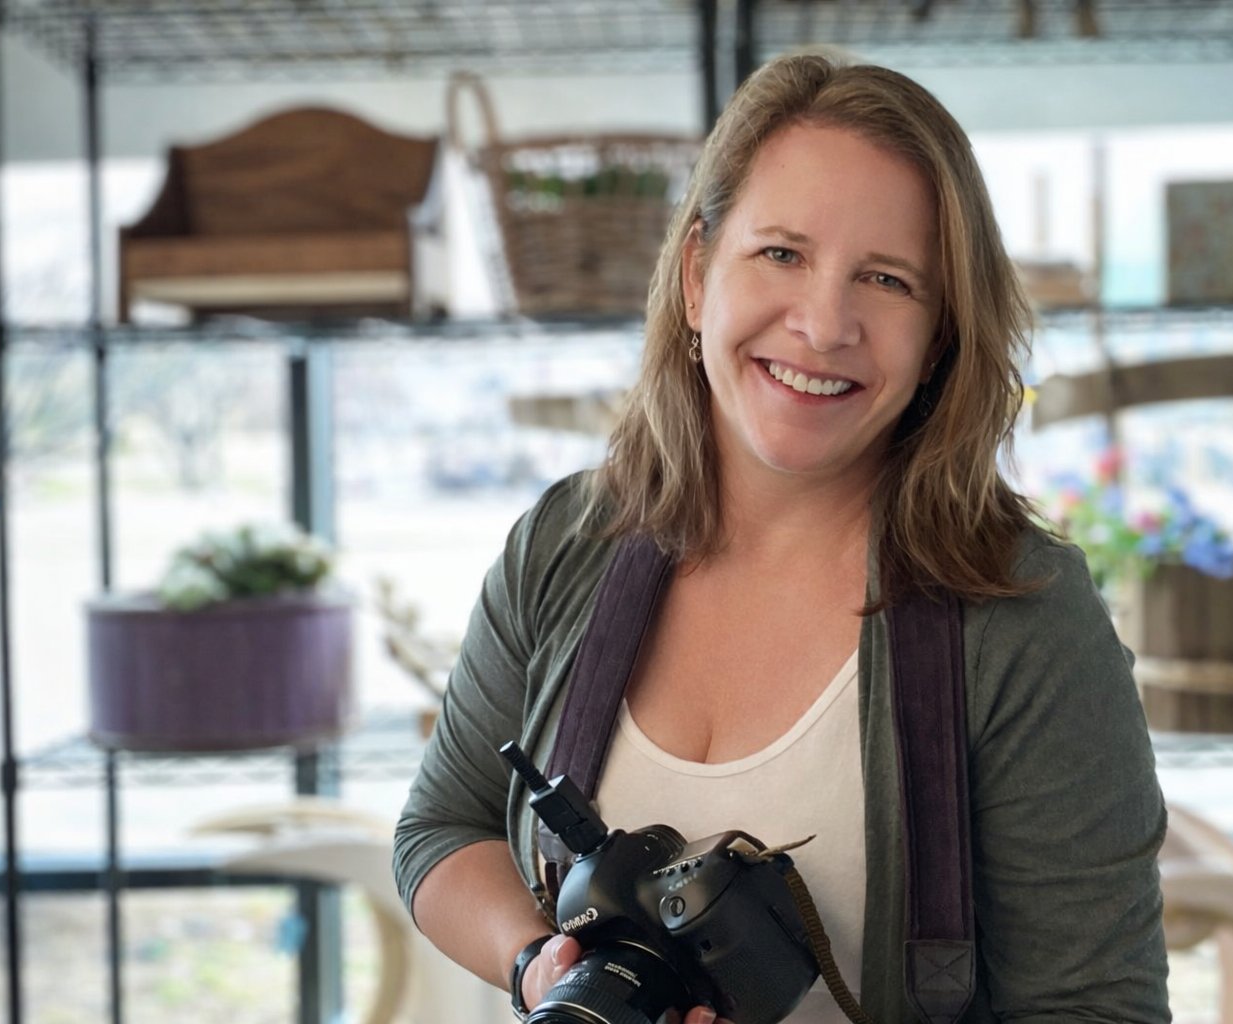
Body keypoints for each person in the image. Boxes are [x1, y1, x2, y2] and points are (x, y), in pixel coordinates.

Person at [394, 53, 1169, 1024]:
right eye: (781, 253)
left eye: (886, 278)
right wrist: (542, 967)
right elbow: (442, 826)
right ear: (694, 275)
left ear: (939, 338)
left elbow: (1095, 1008)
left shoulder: (1019, 615)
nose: (823, 322)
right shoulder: (567, 542)